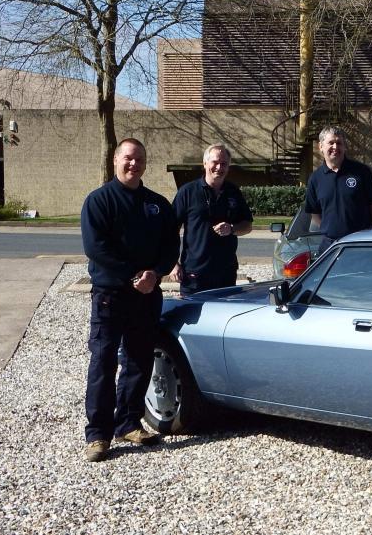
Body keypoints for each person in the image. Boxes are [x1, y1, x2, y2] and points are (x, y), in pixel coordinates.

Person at [80, 138, 179, 462]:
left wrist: (156, 273)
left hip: (147, 295)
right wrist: (132, 275)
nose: (133, 164)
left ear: (145, 164)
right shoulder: (99, 201)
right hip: (111, 295)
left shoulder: (157, 204)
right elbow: (97, 249)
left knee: (139, 361)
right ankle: (98, 435)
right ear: (115, 160)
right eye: (127, 158)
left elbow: (170, 247)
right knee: (104, 362)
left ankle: (128, 422)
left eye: (138, 159)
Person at [168, 143, 253, 295]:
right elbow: (168, 230)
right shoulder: (187, 192)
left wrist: (232, 228)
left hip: (226, 273)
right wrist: (173, 264)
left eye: (224, 164)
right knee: (191, 317)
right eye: (215, 162)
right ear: (205, 163)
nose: (219, 168)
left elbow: (247, 225)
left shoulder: (233, 192)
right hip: (194, 274)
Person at [304, 126, 372, 253]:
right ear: (321, 146)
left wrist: (365, 230)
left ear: (344, 147)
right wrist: (329, 228)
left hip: (359, 244)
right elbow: (314, 212)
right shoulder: (315, 178)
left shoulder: (362, 172)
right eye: (331, 143)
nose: (335, 147)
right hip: (330, 245)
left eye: (339, 143)